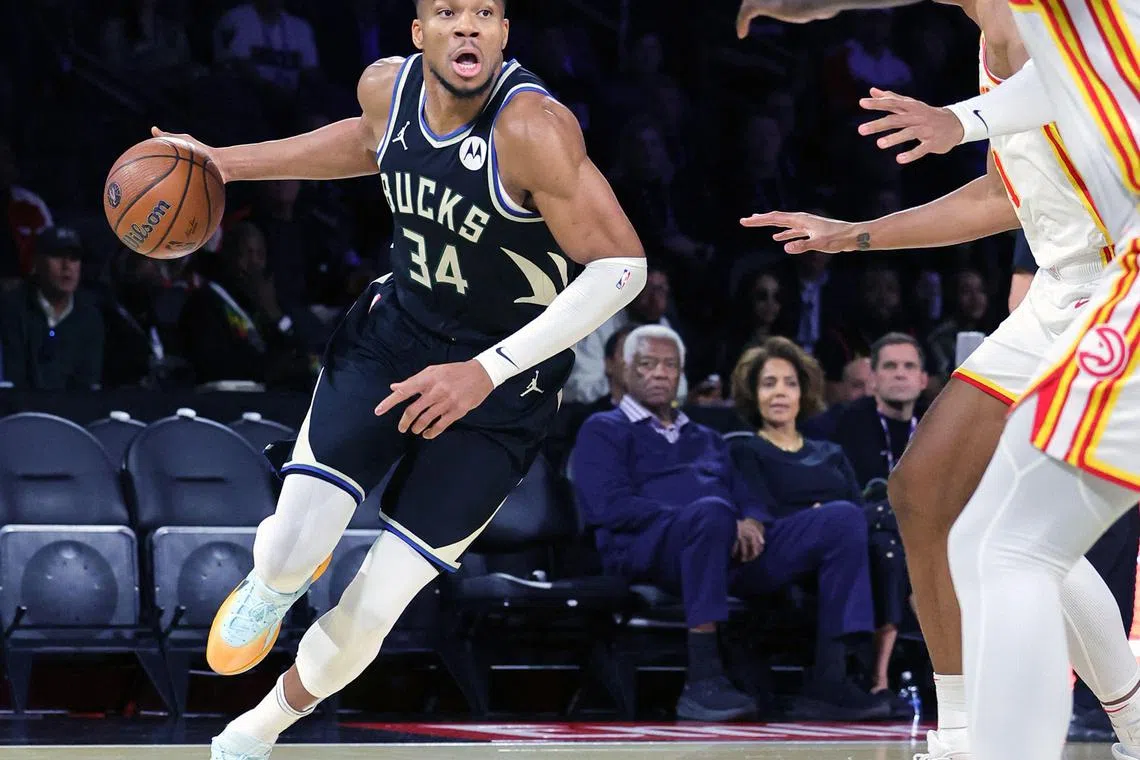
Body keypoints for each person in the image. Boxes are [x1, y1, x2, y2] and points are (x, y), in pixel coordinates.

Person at [158, 2, 647, 757]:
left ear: (504, 33)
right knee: (289, 547)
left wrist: (484, 373)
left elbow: (622, 269)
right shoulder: (388, 91)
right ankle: (277, 579)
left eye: (486, 12)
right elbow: (361, 143)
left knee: (379, 602)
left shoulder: (532, 130)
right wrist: (223, 161)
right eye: (448, 11)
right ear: (419, 33)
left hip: (502, 382)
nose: (468, 27)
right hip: (397, 337)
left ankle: (260, 726)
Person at [737, 1, 1140, 759]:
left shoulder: (1058, 24)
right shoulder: (990, 40)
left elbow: (1070, 80)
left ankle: (1108, 723)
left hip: (1118, 282)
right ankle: (957, 731)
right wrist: (851, 236)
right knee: (922, 493)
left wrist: (959, 119)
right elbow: (998, 196)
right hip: (1057, 291)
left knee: (1020, 532)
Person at [572, 326, 886, 721]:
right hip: (649, 550)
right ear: (623, 370)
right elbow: (609, 507)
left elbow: (746, 494)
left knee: (842, 518)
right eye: (646, 364)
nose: (658, 373)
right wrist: (702, 517)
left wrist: (752, 519)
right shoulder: (604, 429)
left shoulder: (705, 436)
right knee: (711, 512)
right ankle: (703, 681)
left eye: (669, 365)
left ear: (681, 373)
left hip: (724, 546)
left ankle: (831, 679)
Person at [727, 336, 907, 711]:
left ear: (804, 392)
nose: (780, 393)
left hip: (841, 545)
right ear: (752, 393)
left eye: (789, 383)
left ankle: (876, 679)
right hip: (772, 555)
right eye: (768, 383)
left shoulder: (830, 452)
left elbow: (859, 511)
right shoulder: (744, 448)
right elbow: (757, 511)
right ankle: (830, 678)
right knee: (844, 519)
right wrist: (820, 516)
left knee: (885, 534)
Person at [0, 226, 103, 390]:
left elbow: (89, 382)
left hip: (73, 412)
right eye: (57, 256)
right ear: (37, 262)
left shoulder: (90, 315)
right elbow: (12, 379)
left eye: (74, 258)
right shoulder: (11, 308)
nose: (67, 266)